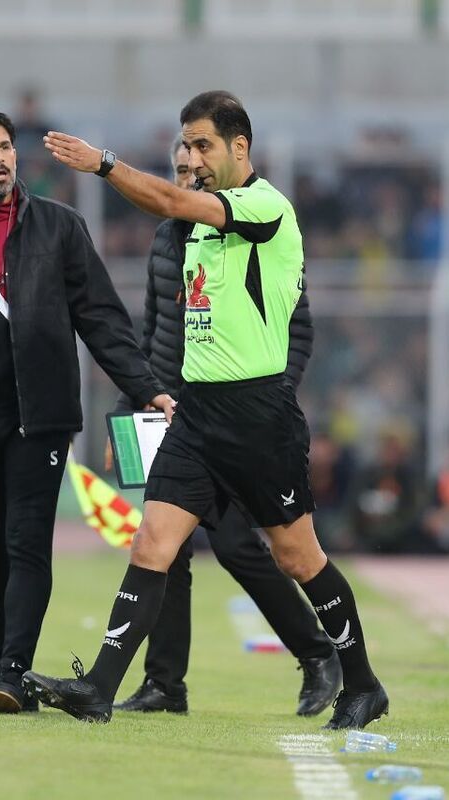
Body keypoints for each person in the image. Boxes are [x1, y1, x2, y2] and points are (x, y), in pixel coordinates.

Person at [24, 91, 388, 729]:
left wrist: (103, 164)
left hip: (259, 417)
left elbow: (173, 202)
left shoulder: (266, 206)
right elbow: (162, 327)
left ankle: (361, 682)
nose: (191, 158)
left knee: (296, 558)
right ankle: (100, 689)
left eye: (202, 145)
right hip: (194, 414)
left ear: (239, 148)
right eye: (185, 146)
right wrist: (136, 402)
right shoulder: (191, 234)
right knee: (152, 543)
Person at [0, 108, 171, 714]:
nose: (0, 158)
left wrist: (147, 388)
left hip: (38, 416)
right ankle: (8, 667)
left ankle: (11, 672)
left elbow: (100, 317)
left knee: (26, 543)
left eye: (6, 147)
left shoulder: (59, 227)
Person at [109, 135, 341, 717]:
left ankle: (319, 653)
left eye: (193, 169)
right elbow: (152, 332)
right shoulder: (168, 239)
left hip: (236, 417)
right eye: (178, 171)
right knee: (165, 550)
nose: (187, 178)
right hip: (171, 416)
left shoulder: (247, 231)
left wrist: (265, 401)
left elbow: (296, 328)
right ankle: (164, 684)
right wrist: (129, 408)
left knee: (237, 546)